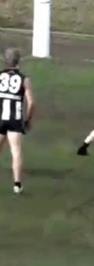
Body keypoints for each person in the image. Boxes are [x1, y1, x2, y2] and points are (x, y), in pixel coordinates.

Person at [0, 48, 34, 194]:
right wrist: (27, 120)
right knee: (16, 151)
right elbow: (31, 102)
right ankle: (17, 184)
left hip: (0, 117)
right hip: (15, 119)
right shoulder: (24, 79)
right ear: (18, 61)